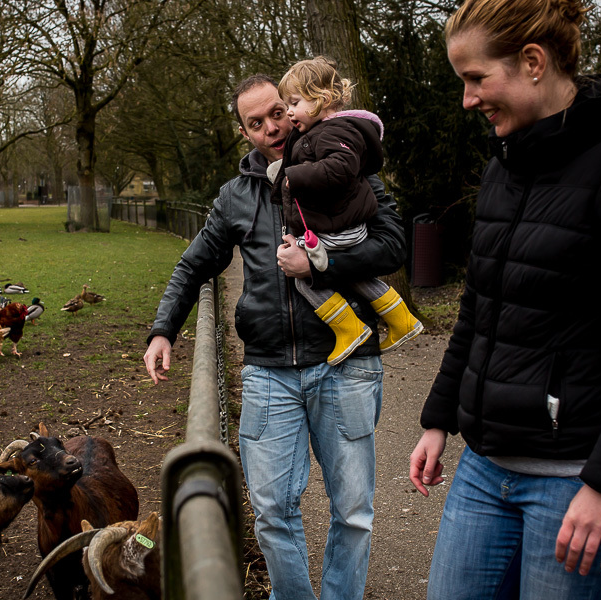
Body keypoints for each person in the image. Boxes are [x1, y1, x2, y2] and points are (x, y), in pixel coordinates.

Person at [408, 0, 601, 598]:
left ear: (532, 62)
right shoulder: (505, 168)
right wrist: (437, 419)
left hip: (577, 484)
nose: (468, 98)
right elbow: (480, 310)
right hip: (484, 471)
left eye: (477, 78)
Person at [144, 74, 406, 599]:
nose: (272, 128)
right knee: (271, 512)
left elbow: (394, 244)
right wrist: (162, 329)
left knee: (352, 511)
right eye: (255, 123)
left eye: (276, 113)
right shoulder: (236, 196)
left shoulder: (346, 168)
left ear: (292, 109)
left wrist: (320, 264)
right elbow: (195, 265)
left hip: (347, 366)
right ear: (245, 133)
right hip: (267, 373)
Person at [270, 56, 422, 364]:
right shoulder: (323, 133)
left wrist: (294, 176)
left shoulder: (334, 132)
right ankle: (401, 319)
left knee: (302, 275)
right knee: (357, 276)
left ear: (322, 99)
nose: (289, 112)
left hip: (339, 230)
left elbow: (340, 168)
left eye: (294, 102)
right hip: (340, 227)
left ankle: (349, 328)